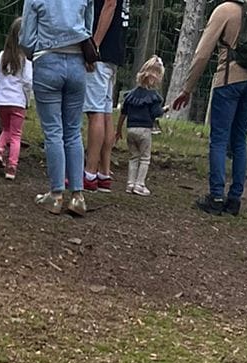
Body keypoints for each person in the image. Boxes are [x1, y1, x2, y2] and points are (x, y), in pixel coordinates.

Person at [171, 0, 247, 215]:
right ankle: (235, 198)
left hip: (228, 80)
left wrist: (187, 88)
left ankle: (216, 196)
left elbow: (202, 54)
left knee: (218, 139)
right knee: (239, 140)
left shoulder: (225, 10)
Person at [20, 0, 95, 216]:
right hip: (77, 64)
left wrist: (35, 51)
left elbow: (26, 37)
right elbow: (87, 28)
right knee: (73, 130)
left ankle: (56, 195)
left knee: (53, 130)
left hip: (47, 59)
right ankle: (78, 196)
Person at [83, 0, 128, 189]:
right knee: (105, 110)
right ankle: (104, 172)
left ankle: (89, 173)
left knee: (95, 112)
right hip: (113, 50)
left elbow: (109, 4)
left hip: (101, 52)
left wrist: (94, 46)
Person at [0, 17, 34, 181]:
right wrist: (26, 99)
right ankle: (12, 167)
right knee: (16, 135)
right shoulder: (26, 60)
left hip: (2, 102)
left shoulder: (2, 56)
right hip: (18, 102)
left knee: (5, 130)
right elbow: (28, 82)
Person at [121, 55, 165, 194]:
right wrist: (165, 109)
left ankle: (130, 183)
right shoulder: (153, 97)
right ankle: (139, 184)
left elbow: (123, 112)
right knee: (145, 158)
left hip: (130, 130)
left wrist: (118, 130)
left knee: (133, 157)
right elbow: (156, 113)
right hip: (144, 131)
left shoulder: (130, 95)